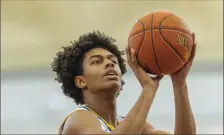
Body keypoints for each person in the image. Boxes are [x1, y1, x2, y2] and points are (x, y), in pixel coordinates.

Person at [51, 30, 196, 134]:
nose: (109, 64)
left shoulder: (136, 125)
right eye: (97, 61)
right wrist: (148, 89)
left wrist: (179, 83)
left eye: (113, 61)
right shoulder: (78, 119)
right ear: (81, 81)